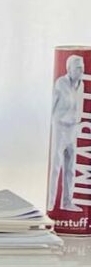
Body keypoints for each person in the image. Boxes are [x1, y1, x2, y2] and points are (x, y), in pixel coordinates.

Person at [48, 54, 85, 212]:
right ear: (69, 69)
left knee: (71, 167)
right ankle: (50, 203)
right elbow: (51, 106)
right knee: (56, 166)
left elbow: (79, 106)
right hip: (60, 128)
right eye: (78, 68)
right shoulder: (60, 83)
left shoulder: (81, 85)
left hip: (73, 128)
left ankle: (67, 202)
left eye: (82, 67)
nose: (82, 70)